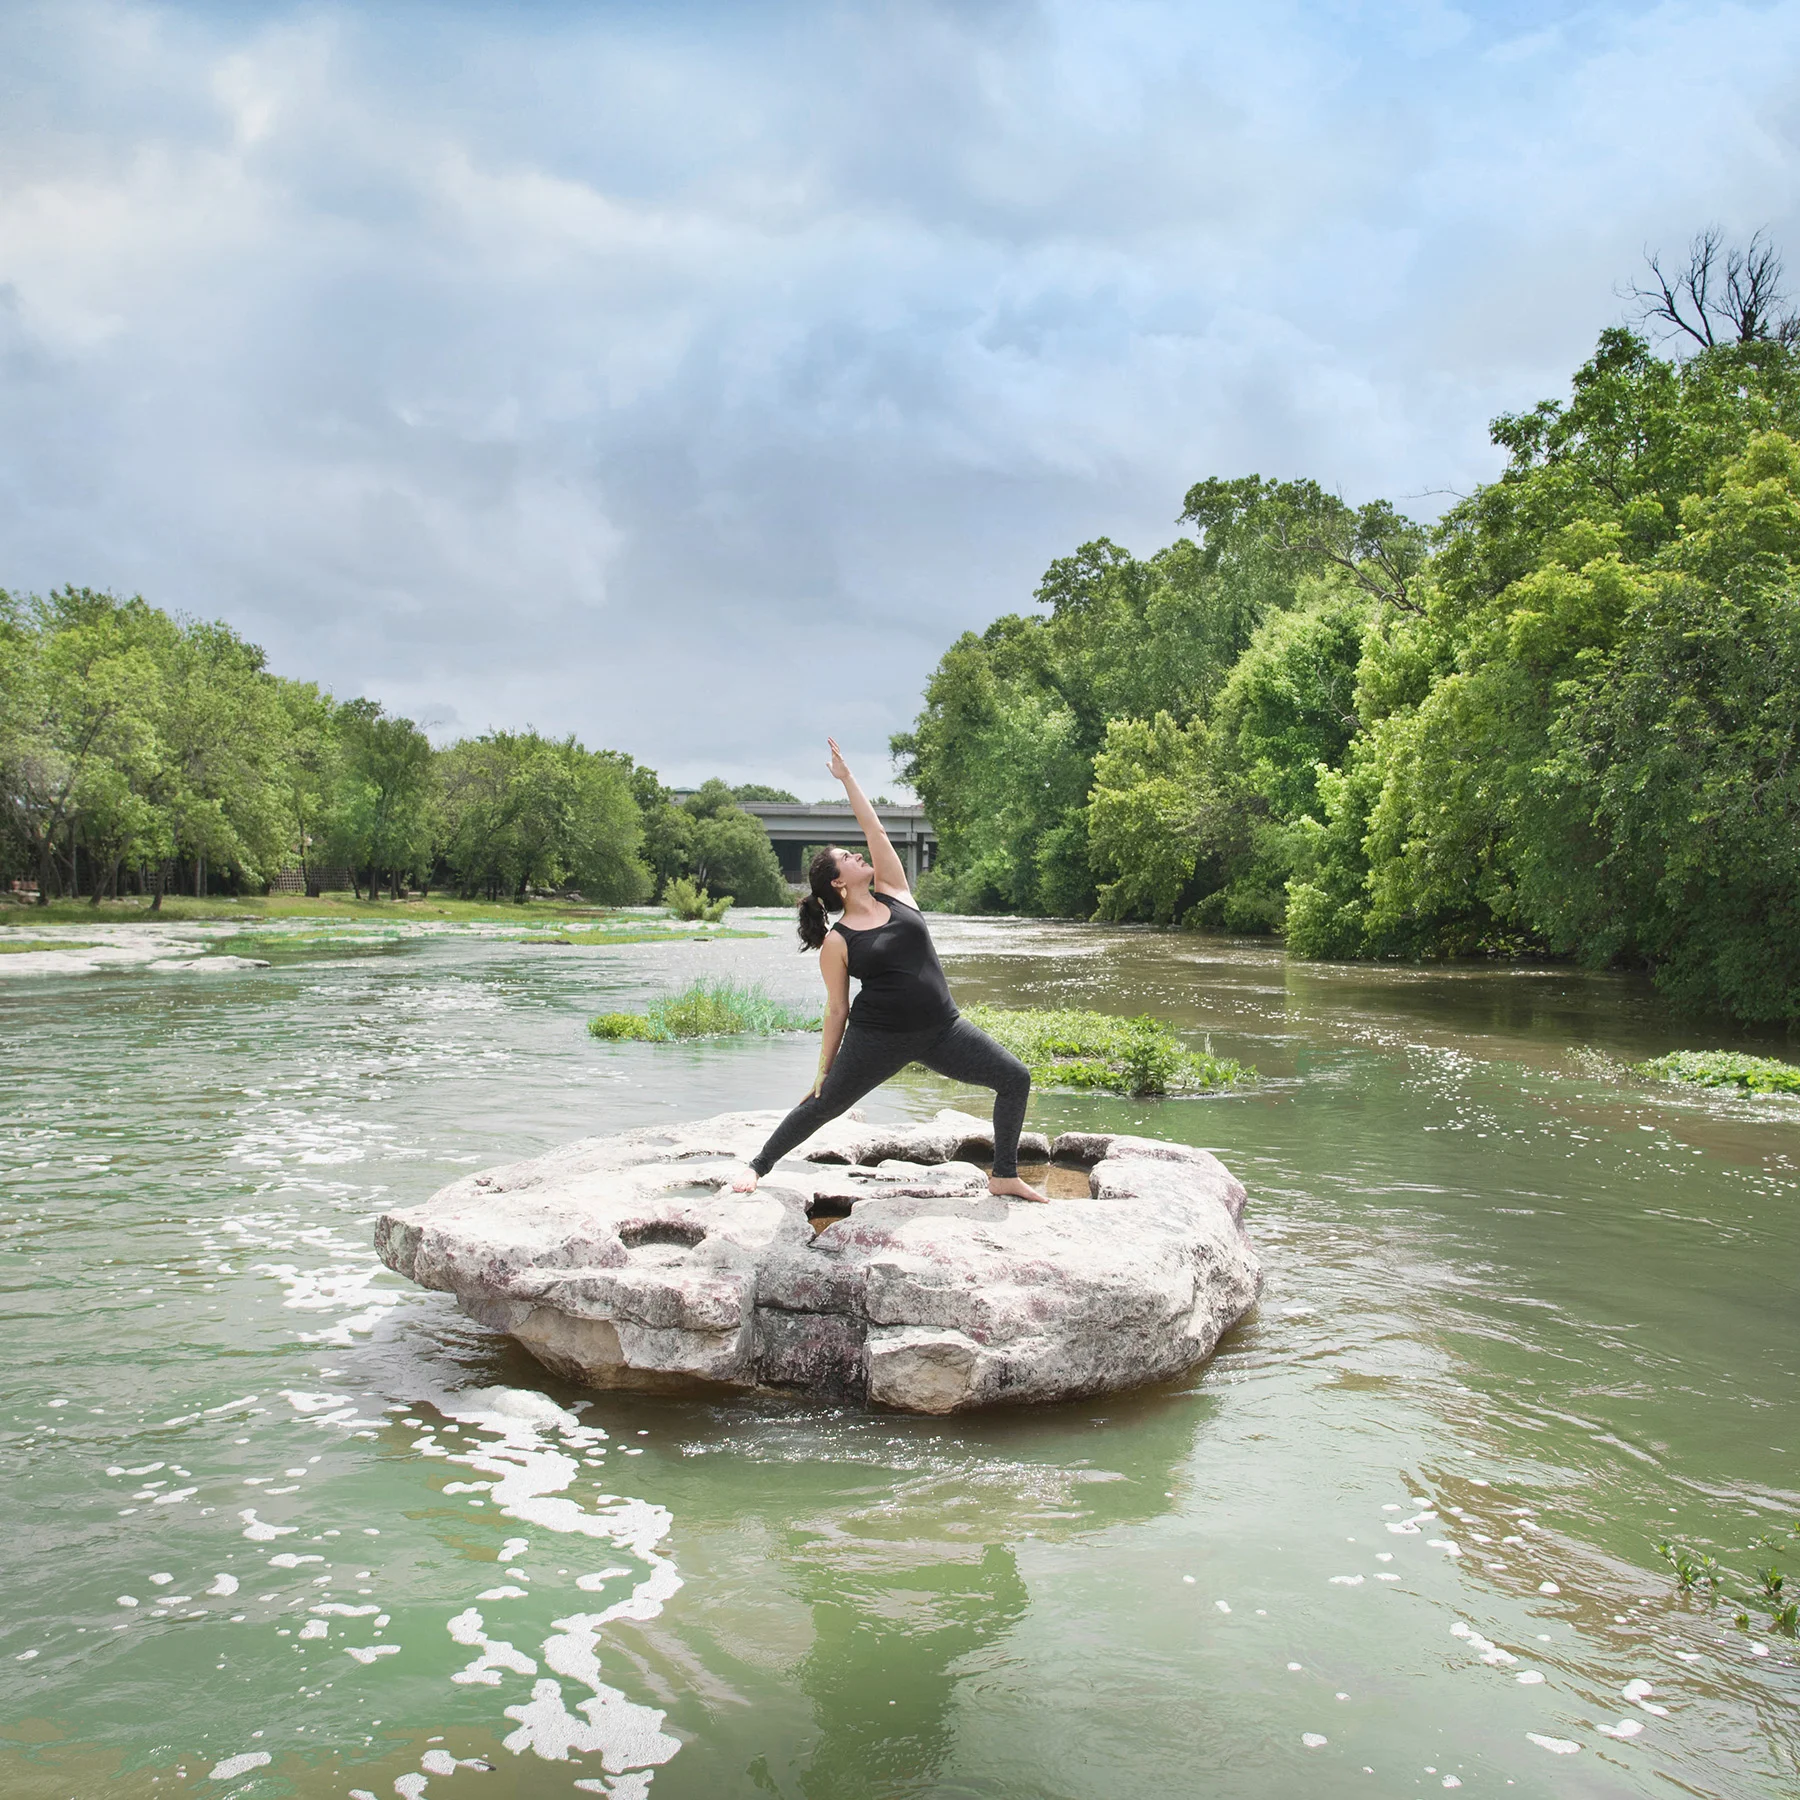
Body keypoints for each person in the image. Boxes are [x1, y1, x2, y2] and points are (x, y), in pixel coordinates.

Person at [731, 739, 1047, 1202]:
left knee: (1014, 1077)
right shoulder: (838, 941)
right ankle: (758, 1166)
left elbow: (874, 828)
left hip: (944, 1030)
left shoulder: (895, 891)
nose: (860, 856)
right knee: (823, 1105)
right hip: (876, 1041)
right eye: (848, 858)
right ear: (838, 883)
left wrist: (847, 778)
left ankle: (1003, 1175)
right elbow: (837, 1009)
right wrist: (824, 1068)